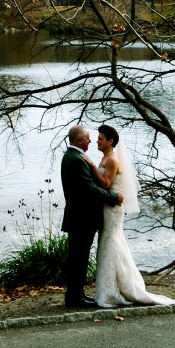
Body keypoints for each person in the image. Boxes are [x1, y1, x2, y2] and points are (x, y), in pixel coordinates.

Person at [86, 124, 175, 308]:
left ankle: (116, 290)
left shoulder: (112, 160)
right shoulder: (105, 157)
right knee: (108, 243)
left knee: (111, 243)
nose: (97, 140)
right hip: (106, 207)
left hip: (112, 209)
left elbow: (105, 184)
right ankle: (111, 288)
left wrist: (91, 166)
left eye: (100, 138)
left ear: (110, 141)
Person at [60, 124, 123, 308]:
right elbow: (88, 188)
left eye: (95, 138)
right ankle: (75, 298)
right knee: (79, 258)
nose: (91, 140)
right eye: (88, 138)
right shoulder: (77, 159)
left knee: (79, 258)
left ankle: (76, 295)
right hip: (81, 217)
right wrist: (113, 197)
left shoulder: (73, 156)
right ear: (80, 140)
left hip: (79, 216)